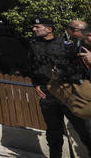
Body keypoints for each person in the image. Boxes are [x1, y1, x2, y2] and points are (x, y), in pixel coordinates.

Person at [28, 17, 91, 158]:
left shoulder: (65, 45)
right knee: (53, 132)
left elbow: (80, 69)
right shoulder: (33, 45)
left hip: (66, 90)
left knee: (84, 129)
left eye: (38, 27)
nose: (34, 29)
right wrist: (36, 84)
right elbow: (32, 66)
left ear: (49, 29)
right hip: (47, 92)